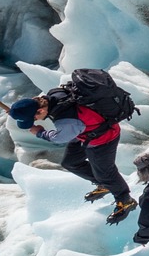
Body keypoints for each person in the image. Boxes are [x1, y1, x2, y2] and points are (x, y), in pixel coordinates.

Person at [9, 92, 135, 224]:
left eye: (34, 118)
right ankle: (105, 185)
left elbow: (60, 138)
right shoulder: (53, 97)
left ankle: (126, 201)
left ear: (40, 110)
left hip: (103, 137)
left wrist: (40, 132)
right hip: (83, 133)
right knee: (71, 162)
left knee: (105, 173)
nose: (36, 121)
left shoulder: (66, 121)